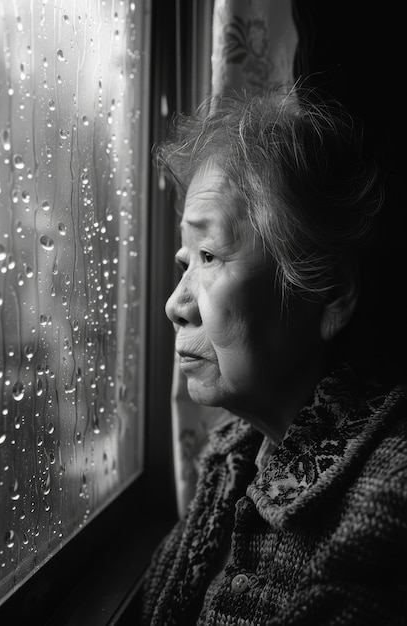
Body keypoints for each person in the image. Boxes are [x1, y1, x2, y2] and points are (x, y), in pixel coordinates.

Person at [141, 85, 407, 625]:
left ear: (328, 293)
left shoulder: (389, 504)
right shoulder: (233, 455)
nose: (175, 305)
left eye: (209, 256)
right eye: (183, 261)